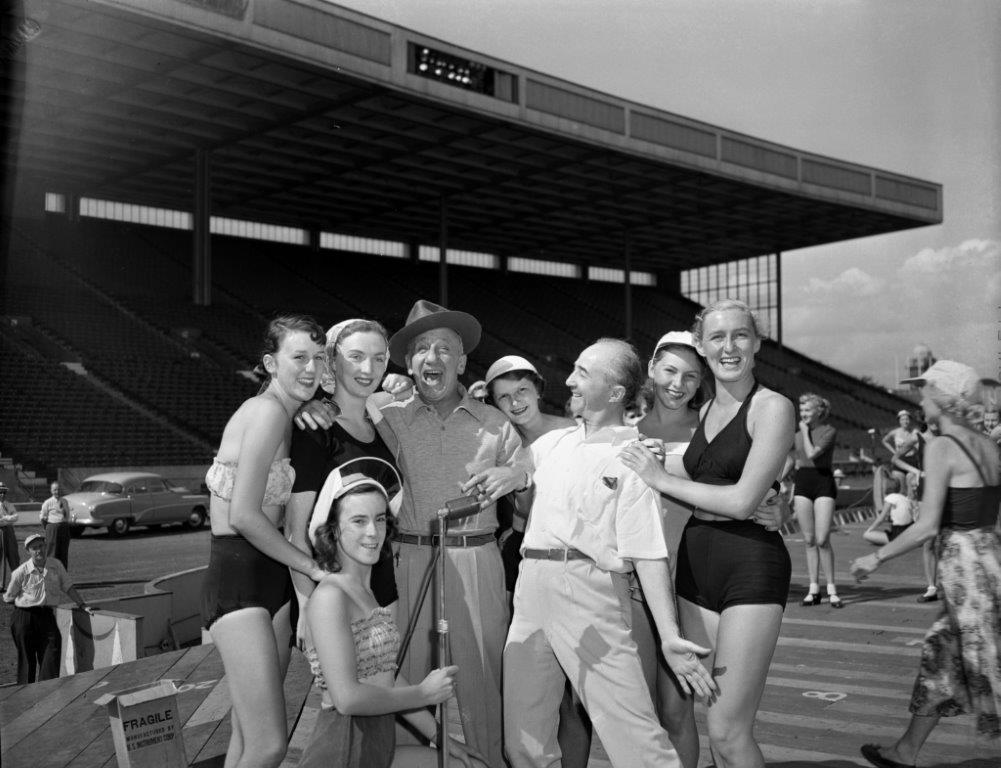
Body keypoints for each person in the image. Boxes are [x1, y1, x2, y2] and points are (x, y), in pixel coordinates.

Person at [504, 337, 717, 768]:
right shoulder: (551, 445)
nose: (569, 380)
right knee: (522, 742)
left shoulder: (634, 457)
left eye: (583, 373)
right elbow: (519, 470)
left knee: (635, 739)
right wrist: (508, 475)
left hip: (590, 591)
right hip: (530, 590)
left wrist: (670, 636)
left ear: (616, 393)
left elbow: (648, 552)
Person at [620, 298, 795, 768]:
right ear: (701, 344)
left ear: (757, 343)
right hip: (695, 570)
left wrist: (661, 478)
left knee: (727, 730)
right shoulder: (706, 411)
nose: (729, 346)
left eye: (741, 335)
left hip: (749, 565)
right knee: (699, 717)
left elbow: (741, 500)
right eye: (717, 337)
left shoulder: (773, 406)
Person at [378, 299, 531, 768]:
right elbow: (343, 399)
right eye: (421, 348)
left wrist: (520, 473)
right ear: (408, 363)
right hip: (408, 559)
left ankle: (487, 762)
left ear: (463, 362)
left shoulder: (497, 423)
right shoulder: (387, 414)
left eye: (445, 348)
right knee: (403, 682)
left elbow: (528, 502)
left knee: (483, 682)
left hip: (476, 558)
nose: (433, 358)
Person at [851, 360, 1001, 768]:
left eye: (924, 391)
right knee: (946, 652)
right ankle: (906, 750)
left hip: (963, 565)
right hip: (988, 555)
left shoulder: (941, 447)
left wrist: (875, 556)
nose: (919, 399)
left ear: (942, 397)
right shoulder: (988, 444)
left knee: (983, 661)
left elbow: (927, 525)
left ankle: (906, 751)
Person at [201, 315, 329, 768]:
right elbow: (243, 515)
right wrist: (312, 568)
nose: (311, 367)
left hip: (267, 578)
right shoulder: (268, 412)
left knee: (245, 738)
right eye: (299, 357)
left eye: (318, 357)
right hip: (239, 577)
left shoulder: (287, 413)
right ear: (271, 363)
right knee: (271, 745)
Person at [297, 467, 482, 768]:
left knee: (464, 764)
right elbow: (346, 699)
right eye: (358, 521)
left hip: (375, 745)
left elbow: (387, 678)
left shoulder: (363, 593)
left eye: (380, 519)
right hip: (344, 749)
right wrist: (422, 693)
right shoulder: (331, 597)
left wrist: (441, 736)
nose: (373, 532)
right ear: (332, 529)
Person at [483, 354, 590, 768]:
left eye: (522, 391)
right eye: (503, 396)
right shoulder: (497, 440)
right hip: (520, 560)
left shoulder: (575, 433)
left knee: (573, 697)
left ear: (539, 389)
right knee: (528, 686)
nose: (514, 402)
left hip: (574, 567)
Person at [286, 319, 401, 645]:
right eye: (356, 356)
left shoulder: (381, 426)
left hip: (383, 592)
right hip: (335, 598)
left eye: (379, 358)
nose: (369, 367)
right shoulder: (315, 428)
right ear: (333, 362)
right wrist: (307, 602)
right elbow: (295, 531)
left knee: (384, 688)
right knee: (347, 695)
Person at [4, 532, 92, 683]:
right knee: (26, 659)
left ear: (45, 547)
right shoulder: (21, 571)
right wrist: (26, 604)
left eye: (41, 546)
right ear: (28, 552)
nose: (39, 550)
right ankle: (25, 695)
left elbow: (68, 586)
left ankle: (47, 690)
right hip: (24, 616)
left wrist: (82, 605)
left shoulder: (56, 565)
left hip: (46, 615)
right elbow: (8, 597)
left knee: (52, 650)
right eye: (34, 548)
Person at [793, 393, 842, 607]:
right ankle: (814, 588)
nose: (803, 414)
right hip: (803, 482)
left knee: (822, 539)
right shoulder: (796, 434)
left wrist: (804, 432)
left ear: (819, 412)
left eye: (807, 410)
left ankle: (831, 587)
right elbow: (794, 460)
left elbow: (812, 454)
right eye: (801, 410)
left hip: (823, 481)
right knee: (809, 539)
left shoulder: (829, 431)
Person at [863, 475, 916, 546]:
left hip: (899, 532)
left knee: (866, 535)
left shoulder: (890, 498)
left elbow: (881, 518)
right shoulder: (904, 498)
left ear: (886, 487)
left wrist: (869, 529)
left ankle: (894, 542)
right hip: (910, 530)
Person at [883, 410, 920, 492]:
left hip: (911, 462)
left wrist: (915, 449)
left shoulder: (915, 432)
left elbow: (920, 444)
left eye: (907, 419)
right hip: (898, 462)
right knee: (900, 489)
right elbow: (885, 441)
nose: (905, 422)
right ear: (899, 421)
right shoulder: (895, 432)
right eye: (902, 419)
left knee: (912, 490)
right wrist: (893, 451)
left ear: (910, 420)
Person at [39, 481, 72, 568]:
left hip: (64, 528)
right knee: (52, 553)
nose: (57, 492)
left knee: (63, 553)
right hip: (52, 528)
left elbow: (67, 515)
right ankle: (51, 576)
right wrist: (48, 528)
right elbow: (43, 517)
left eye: (59, 489)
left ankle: (63, 576)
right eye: (55, 490)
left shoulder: (64, 501)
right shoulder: (48, 502)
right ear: (51, 491)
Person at [1, 482, 20, 589]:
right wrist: (8, 518)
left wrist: (5, 518)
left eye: (4, 492)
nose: (2, 494)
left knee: (14, 556)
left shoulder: (9, 505)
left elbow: (16, 517)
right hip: (0, 531)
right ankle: (1, 584)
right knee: (1, 557)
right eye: (0, 492)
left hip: (9, 531)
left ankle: (17, 582)